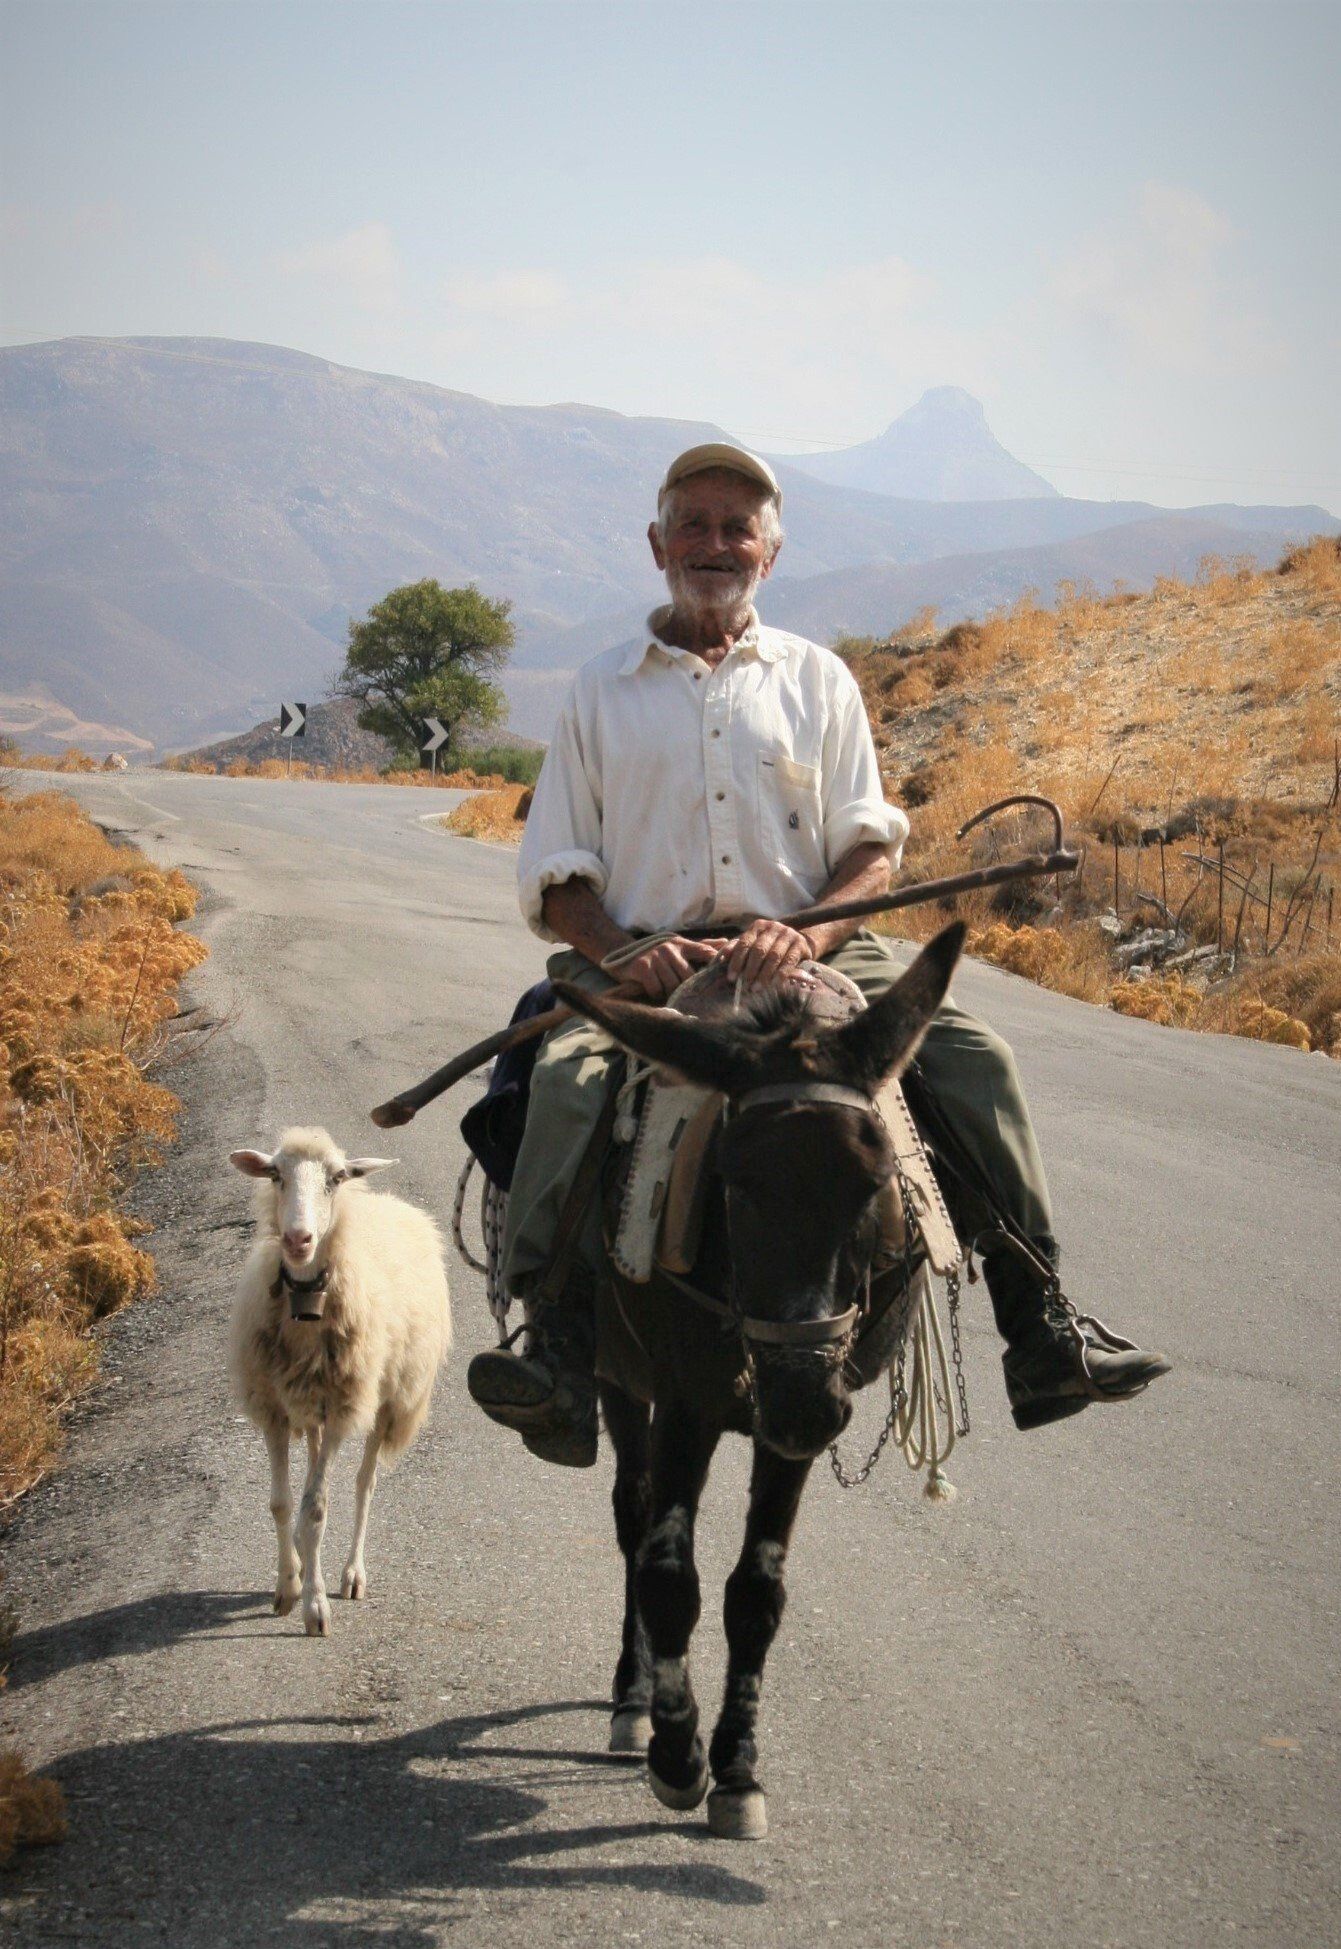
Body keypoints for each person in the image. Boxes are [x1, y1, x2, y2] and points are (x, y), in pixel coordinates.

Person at [467, 443, 1169, 1465]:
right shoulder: (599, 692)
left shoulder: (820, 680)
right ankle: (559, 1350)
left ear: (773, 548)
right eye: (696, 524)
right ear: (657, 543)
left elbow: (871, 848)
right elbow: (560, 870)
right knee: (569, 1081)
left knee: (977, 1060)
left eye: (737, 526)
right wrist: (625, 953)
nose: (716, 544)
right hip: (645, 954)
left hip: (811, 943)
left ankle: (1041, 1323)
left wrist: (809, 929)